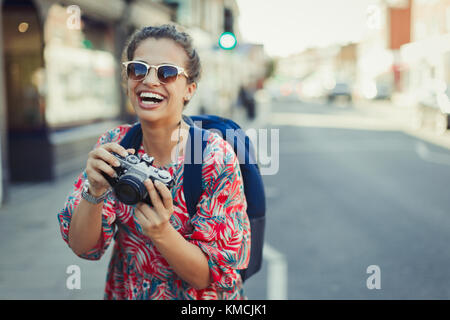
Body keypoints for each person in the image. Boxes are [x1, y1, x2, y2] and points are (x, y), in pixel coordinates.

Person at [57, 24, 251, 300]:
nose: (149, 80)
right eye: (138, 69)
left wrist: (161, 232)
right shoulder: (115, 145)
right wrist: (94, 192)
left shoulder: (213, 158)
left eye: (167, 72)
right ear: (127, 80)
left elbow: (208, 277)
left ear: (189, 89)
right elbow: (83, 247)